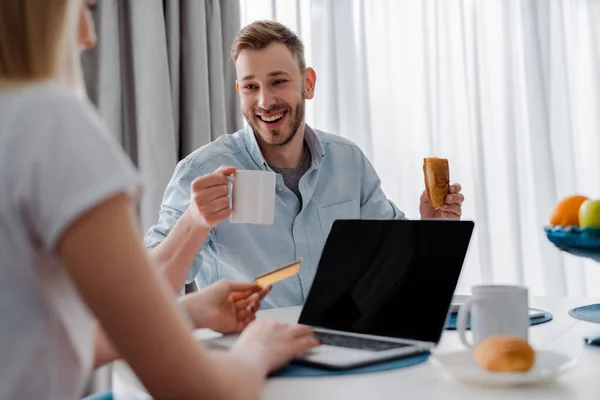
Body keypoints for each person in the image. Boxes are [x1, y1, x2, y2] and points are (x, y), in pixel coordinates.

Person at [0, 2, 319, 399]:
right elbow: (203, 391)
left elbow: (41, 343)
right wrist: (259, 348)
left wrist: (191, 311)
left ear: (307, 83)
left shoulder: (349, 160)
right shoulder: (49, 123)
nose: (88, 36)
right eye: (84, 8)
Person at [145, 20, 465, 309]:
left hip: (341, 347)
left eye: (278, 82)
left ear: (308, 83)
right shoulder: (204, 169)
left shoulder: (347, 162)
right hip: (251, 356)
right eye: (250, 86)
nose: (265, 101)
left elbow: (395, 261)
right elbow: (152, 289)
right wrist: (194, 221)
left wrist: (432, 226)